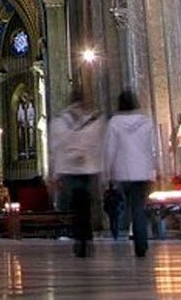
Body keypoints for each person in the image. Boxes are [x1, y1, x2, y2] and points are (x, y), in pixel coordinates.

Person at [48, 88, 104, 257]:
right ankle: (86, 236)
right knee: (86, 204)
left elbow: (55, 147)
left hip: (68, 169)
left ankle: (79, 238)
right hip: (89, 168)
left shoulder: (59, 121)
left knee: (75, 206)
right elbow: (100, 145)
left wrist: (54, 172)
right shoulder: (96, 120)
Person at [103, 89, 158, 258]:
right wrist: (153, 169)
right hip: (142, 170)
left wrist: (108, 171)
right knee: (138, 207)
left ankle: (122, 235)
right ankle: (141, 243)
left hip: (124, 170)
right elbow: (152, 147)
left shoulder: (114, 123)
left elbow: (110, 149)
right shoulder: (146, 122)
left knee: (126, 206)